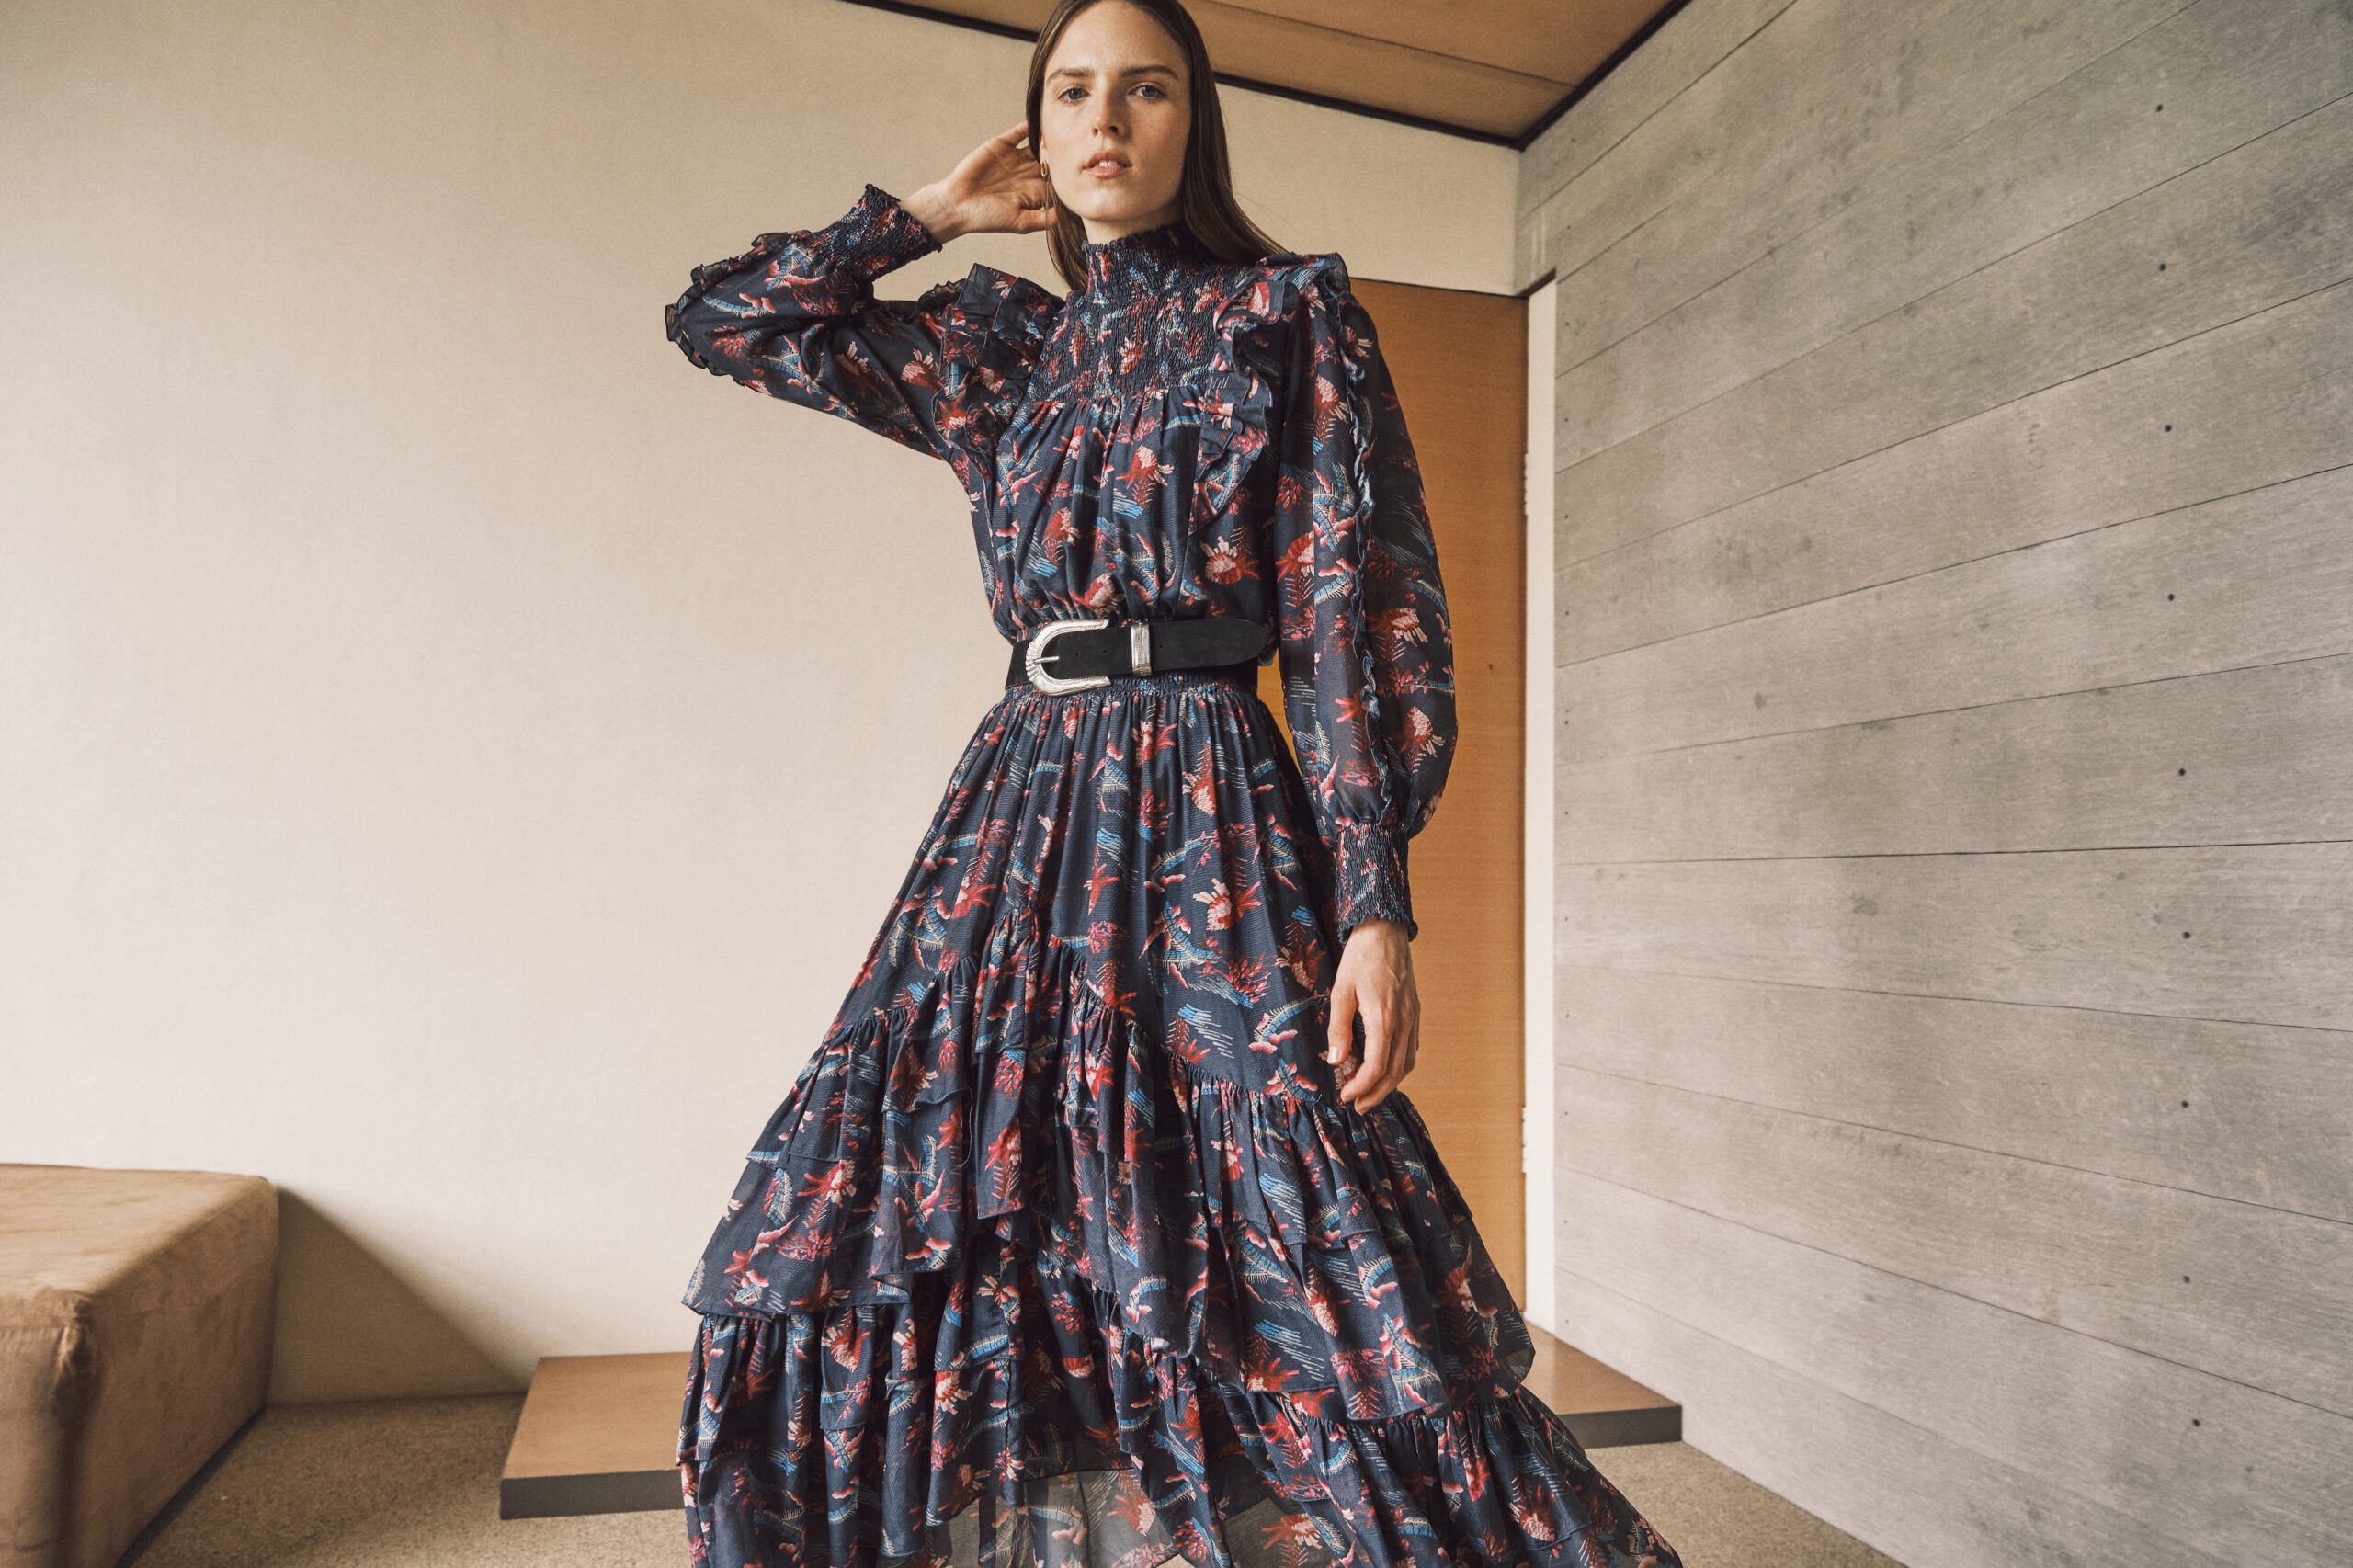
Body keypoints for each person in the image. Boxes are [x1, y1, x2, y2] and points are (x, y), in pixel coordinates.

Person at [662, 2, 1684, 1565]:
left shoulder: (1287, 314)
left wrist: (1376, 909)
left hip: (1214, 799)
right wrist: (924, 214)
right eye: (1072, 92)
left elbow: (1355, 616)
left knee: (1286, 1199)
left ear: (1194, 121)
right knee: (911, 1184)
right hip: (1024, 801)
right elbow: (724, 320)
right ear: (1036, 127)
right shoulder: (1004, 343)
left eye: (1144, 89)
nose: (1105, 122)